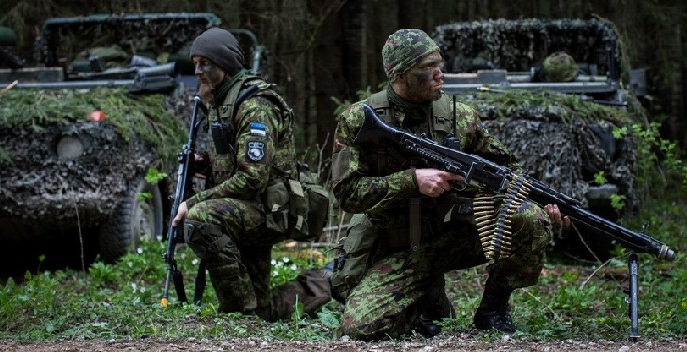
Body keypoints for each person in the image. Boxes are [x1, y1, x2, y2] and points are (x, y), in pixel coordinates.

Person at [329, 28, 569, 340]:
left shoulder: (460, 116)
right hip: (394, 247)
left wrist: (543, 205)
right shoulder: (360, 120)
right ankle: (427, 301)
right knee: (360, 328)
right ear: (400, 74)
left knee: (529, 219)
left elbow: (508, 171)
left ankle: (493, 310)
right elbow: (347, 193)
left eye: (439, 65)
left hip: (451, 237)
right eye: (428, 68)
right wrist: (412, 181)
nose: (439, 75)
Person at [171, 27, 330, 320]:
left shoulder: (254, 106)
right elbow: (237, 161)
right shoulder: (223, 100)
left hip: (270, 210)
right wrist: (206, 164)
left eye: (205, 63)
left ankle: (238, 314)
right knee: (263, 307)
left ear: (225, 64)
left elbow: (253, 177)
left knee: (200, 218)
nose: (198, 71)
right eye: (195, 64)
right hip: (250, 207)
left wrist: (193, 202)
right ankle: (324, 285)